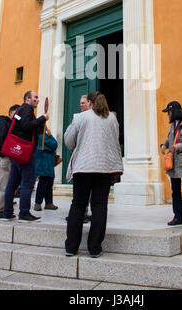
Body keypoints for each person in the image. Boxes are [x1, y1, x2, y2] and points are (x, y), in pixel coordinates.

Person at [64, 92, 123, 258]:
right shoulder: (112, 119)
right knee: (99, 206)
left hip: (83, 167)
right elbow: (115, 142)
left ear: (89, 102)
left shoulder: (82, 117)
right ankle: (95, 248)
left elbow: (69, 141)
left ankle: (71, 246)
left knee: (78, 205)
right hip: (104, 168)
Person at [3, 91, 48, 222]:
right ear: (28, 99)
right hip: (25, 152)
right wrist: (42, 118)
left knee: (12, 183)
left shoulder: (20, 110)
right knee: (28, 183)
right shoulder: (27, 109)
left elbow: (22, 126)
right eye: (35, 97)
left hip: (16, 152)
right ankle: (24, 213)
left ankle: (7, 211)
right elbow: (27, 126)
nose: (38, 100)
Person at [34, 127, 58, 211]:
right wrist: (50, 134)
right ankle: (39, 203)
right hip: (46, 163)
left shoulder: (36, 136)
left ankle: (48, 202)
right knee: (44, 184)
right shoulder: (43, 137)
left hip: (43, 163)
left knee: (47, 183)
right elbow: (54, 144)